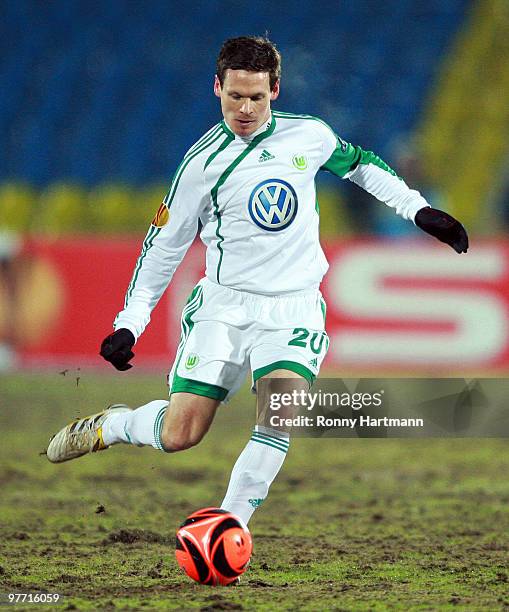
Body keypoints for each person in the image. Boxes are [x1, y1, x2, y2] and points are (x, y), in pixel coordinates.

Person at [46, 36, 468, 525]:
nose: (246, 108)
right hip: (224, 308)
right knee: (181, 434)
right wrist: (130, 323)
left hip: (294, 307)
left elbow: (362, 167)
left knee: (278, 416)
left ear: (276, 91)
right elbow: (163, 247)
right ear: (217, 87)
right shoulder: (201, 166)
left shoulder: (308, 137)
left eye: (257, 97)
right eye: (235, 96)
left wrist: (419, 211)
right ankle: (115, 425)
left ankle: (228, 528)